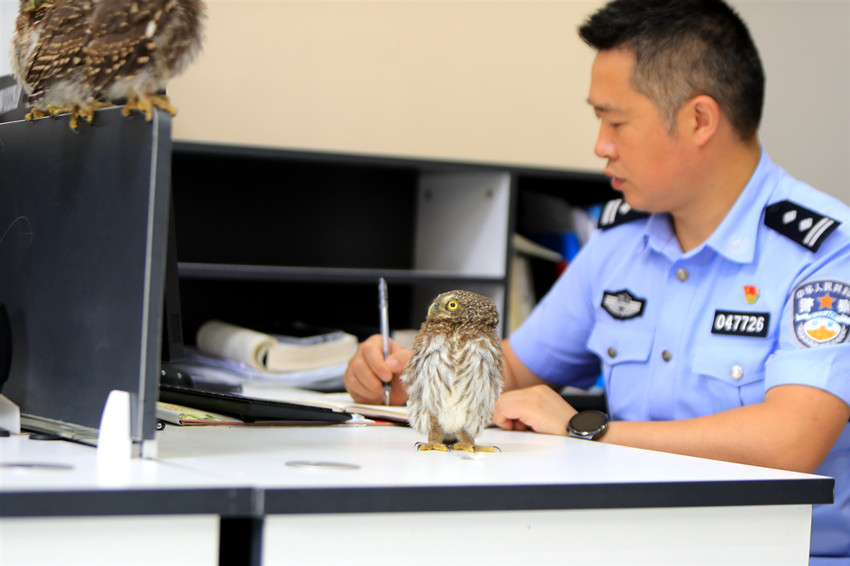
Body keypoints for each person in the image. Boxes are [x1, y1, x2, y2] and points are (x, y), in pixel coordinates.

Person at [343, 1, 850, 562]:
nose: (601, 145)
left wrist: (586, 429)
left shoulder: (828, 250)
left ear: (700, 120)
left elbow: (791, 441)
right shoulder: (621, 240)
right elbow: (514, 369)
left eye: (616, 122)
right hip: (630, 544)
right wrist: (410, 379)